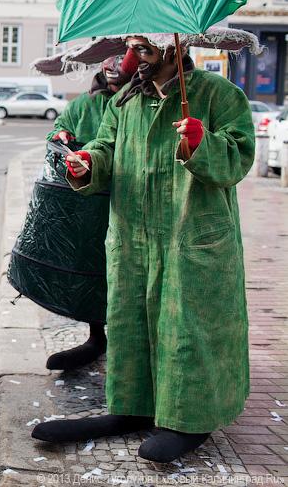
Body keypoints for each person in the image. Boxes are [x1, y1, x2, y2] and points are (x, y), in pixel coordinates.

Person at [31, 34, 254, 463]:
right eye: (133, 48)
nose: (134, 58)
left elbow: (240, 156)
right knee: (131, 322)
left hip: (192, 236)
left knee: (187, 329)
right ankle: (133, 408)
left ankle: (190, 418)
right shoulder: (124, 103)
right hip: (133, 235)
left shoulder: (219, 95)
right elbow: (105, 148)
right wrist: (88, 162)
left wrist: (201, 143)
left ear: (174, 46)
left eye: (144, 48)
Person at [41, 51, 137, 371]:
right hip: (90, 203)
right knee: (94, 266)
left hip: (130, 199)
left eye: (121, 59)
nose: (112, 65)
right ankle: (97, 334)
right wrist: (60, 137)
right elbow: (59, 130)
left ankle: (130, 339)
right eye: (108, 60)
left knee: (128, 272)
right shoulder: (84, 104)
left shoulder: (136, 102)